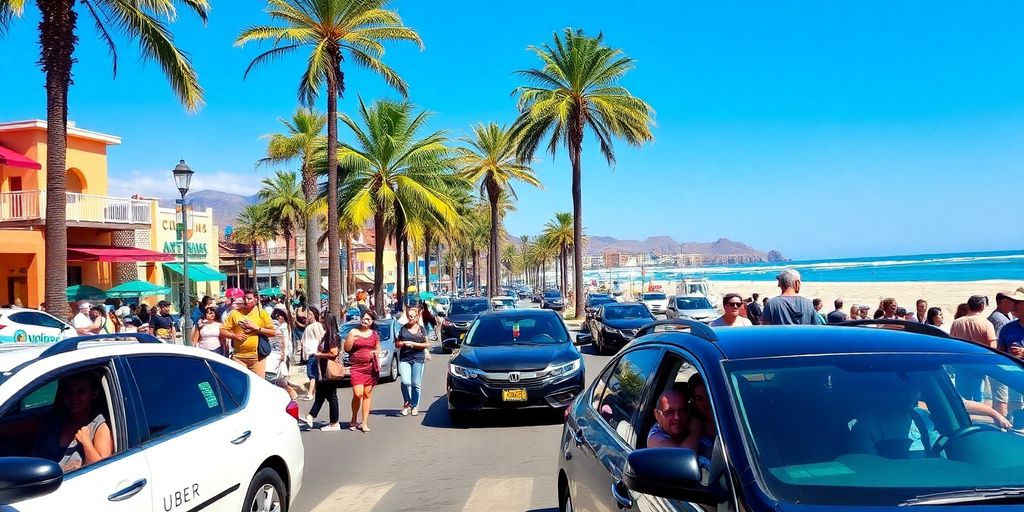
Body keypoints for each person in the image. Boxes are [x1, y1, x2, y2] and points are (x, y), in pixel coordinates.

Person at [32, 372, 113, 472]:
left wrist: (86, 443)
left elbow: (103, 470)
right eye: (69, 392)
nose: (74, 397)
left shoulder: (100, 427)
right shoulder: (53, 420)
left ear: (94, 393)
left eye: (81, 391)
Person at [949, 295, 998, 402]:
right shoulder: (986, 323)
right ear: (982, 306)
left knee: (962, 397)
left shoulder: (957, 322)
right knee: (978, 395)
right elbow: (992, 346)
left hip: (961, 363)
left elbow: (952, 344)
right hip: (979, 363)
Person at [220, 290, 275, 378]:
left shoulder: (262, 313)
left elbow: (272, 332)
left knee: (258, 383)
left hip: (257, 358)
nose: (246, 301)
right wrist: (234, 336)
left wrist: (257, 328)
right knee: (240, 383)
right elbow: (222, 330)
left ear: (255, 299)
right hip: (239, 357)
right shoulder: (235, 313)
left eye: (249, 299)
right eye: (244, 298)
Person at [304, 311, 343, 431]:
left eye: (322, 318)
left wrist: (320, 354)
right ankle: (310, 416)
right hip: (323, 371)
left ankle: (334, 422)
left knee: (331, 397)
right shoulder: (327, 334)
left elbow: (334, 353)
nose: (320, 320)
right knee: (320, 395)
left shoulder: (332, 336)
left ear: (327, 320)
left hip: (329, 371)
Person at [344, 310, 380, 432]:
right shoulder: (354, 332)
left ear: (372, 321)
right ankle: (354, 417)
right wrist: (351, 339)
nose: (365, 321)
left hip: (370, 368)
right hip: (357, 367)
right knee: (357, 393)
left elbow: (378, 348)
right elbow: (347, 349)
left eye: (368, 319)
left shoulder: (374, 334)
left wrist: (375, 353)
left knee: (367, 395)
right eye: (363, 319)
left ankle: (364, 422)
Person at [396, 306, 430, 416]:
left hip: (418, 358)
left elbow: (427, 344)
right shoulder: (403, 329)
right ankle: (407, 402)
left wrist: (414, 344)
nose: (411, 318)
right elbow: (397, 343)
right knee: (405, 381)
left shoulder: (421, 329)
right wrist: (401, 344)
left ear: (417, 317)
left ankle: (414, 405)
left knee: (416, 384)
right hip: (405, 358)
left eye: (413, 316)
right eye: (409, 316)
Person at [647, 383, 703, 449]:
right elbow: (684, 454)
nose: (677, 417)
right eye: (669, 412)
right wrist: (695, 431)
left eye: (682, 411)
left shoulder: (690, 423)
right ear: (657, 414)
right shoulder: (655, 439)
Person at [265, 309, 297, 399]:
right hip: (279, 356)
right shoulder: (280, 328)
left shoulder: (280, 328)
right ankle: (289, 392)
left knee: (273, 379)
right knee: (279, 378)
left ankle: (288, 392)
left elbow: (284, 341)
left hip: (273, 358)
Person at [298, 307, 325, 401]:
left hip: (314, 353)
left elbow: (320, 338)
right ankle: (314, 392)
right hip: (310, 353)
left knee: (312, 374)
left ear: (313, 315)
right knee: (312, 373)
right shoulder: (310, 326)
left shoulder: (316, 325)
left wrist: (319, 351)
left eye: (309, 314)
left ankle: (310, 393)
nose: (307, 316)